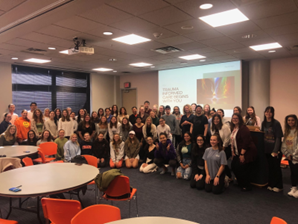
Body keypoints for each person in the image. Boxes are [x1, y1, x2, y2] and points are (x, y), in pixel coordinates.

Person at [230, 113, 257, 191]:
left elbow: (246, 142)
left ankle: (246, 185)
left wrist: (242, 154)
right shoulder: (234, 128)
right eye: (233, 118)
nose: (234, 119)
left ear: (240, 119)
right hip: (237, 151)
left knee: (242, 168)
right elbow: (233, 141)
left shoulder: (243, 128)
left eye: (236, 118)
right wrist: (233, 152)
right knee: (234, 166)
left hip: (247, 152)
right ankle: (241, 182)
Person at [261, 106, 283, 192]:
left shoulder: (276, 123)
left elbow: (278, 138)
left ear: (273, 113)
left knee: (276, 168)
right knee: (269, 168)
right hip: (266, 149)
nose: (268, 114)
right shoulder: (263, 123)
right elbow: (263, 135)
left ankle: (279, 186)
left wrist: (275, 150)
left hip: (274, 150)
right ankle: (271, 184)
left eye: (270, 112)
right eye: (267, 112)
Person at [210, 114, 232, 180]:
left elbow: (227, 138)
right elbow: (213, 136)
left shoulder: (225, 126)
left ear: (220, 119)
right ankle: (222, 175)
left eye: (217, 119)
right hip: (217, 146)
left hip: (226, 146)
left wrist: (224, 147)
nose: (216, 120)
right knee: (219, 161)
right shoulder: (212, 126)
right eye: (214, 119)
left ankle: (229, 176)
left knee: (223, 162)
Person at [281, 114, 298, 197]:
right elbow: (284, 145)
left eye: (292, 120)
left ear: (295, 121)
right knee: (293, 172)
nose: (290, 122)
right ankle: (294, 188)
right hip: (289, 156)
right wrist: (287, 154)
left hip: (296, 156)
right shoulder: (287, 132)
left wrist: (294, 155)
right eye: (289, 120)